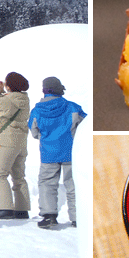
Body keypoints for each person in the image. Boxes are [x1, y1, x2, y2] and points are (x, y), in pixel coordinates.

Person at [28, 77, 87, 229]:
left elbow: (34, 133)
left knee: (47, 184)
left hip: (49, 153)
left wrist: (46, 138)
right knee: (73, 185)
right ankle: (77, 218)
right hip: (71, 152)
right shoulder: (73, 108)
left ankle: (49, 216)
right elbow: (85, 126)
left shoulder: (36, 111)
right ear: (60, 89)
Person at [0, 72, 31, 220]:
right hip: (21, 142)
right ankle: (22, 210)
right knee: (19, 176)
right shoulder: (23, 99)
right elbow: (7, 104)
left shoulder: (8, 101)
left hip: (7, 142)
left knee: (0, 175)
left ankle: (6, 209)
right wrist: (2, 92)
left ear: (9, 86)